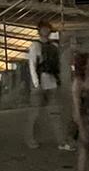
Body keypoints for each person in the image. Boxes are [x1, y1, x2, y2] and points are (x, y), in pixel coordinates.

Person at [27, 18, 73, 151]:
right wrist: (36, 83)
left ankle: (61, 141)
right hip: (41, 82)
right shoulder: (35, 46)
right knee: (35, 114)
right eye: (44, 29)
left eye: (47, 29)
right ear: (39, 30)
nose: (46, 31)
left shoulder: (53, 46)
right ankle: (31, 138)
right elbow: (32, 65)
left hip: (51, 82)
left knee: (55, 113)